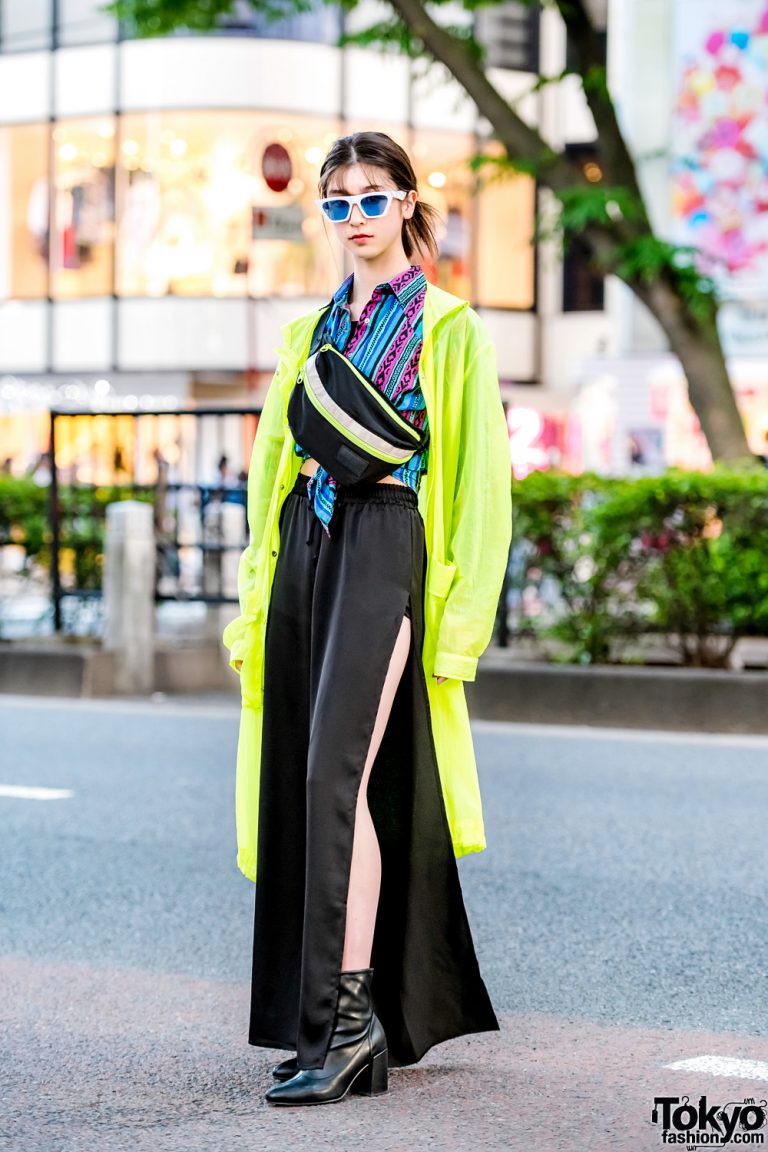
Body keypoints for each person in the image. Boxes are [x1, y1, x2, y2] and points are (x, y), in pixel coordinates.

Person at [222, 131, 512, 1107]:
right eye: (337, 200)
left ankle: (346, 1028)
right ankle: (341, 1022)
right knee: (311, 784)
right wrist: (258, 584)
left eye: (371, 197)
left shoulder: (449, 327)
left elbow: (478, 486)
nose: (353, 216)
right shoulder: (310, 333)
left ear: (407, 202)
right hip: (309, 541)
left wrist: (461, 626)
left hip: (388, 542)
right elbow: (271, 466)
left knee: (331, 774)